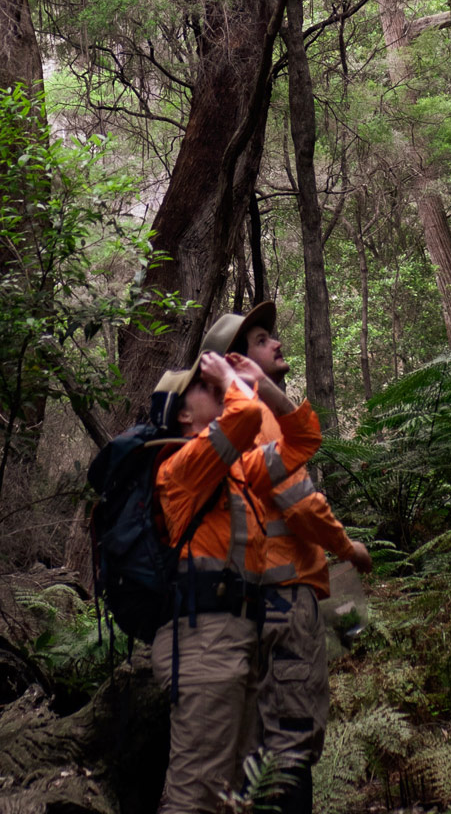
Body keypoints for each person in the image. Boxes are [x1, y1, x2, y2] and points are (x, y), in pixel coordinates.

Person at [200, 303, 373, 814]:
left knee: (257, 745)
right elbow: (300, 501)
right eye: (261, 339)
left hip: (240, 606)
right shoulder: (255, 419)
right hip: (281, 602)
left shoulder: (226, 425)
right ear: (236, 359)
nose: (276, 343)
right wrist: (348, 549)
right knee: (291, 743)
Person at [148, 350, 324, 814]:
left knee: (238, 797)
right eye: (206, 387)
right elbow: (244, 415)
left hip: (239, 639)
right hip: (203, 642)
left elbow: (303, 440)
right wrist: (233, 378)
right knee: (197, 794)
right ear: (183, 414)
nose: (219, 388)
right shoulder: (181, 468)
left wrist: (263, 385)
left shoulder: (236, 472)